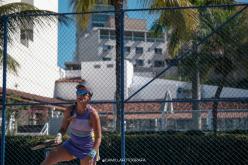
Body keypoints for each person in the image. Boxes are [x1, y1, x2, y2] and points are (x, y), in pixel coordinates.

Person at [41, 81, 102, 165]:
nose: (80, 95)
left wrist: (92, 153)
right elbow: (63, 129)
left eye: (83, 93)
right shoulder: (69, 110)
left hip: (87, 149)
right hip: (71, 145)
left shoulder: (93, 114)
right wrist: (59, 136)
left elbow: (98, 137)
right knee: (51, 156)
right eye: (78, 92)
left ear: (89, 97)